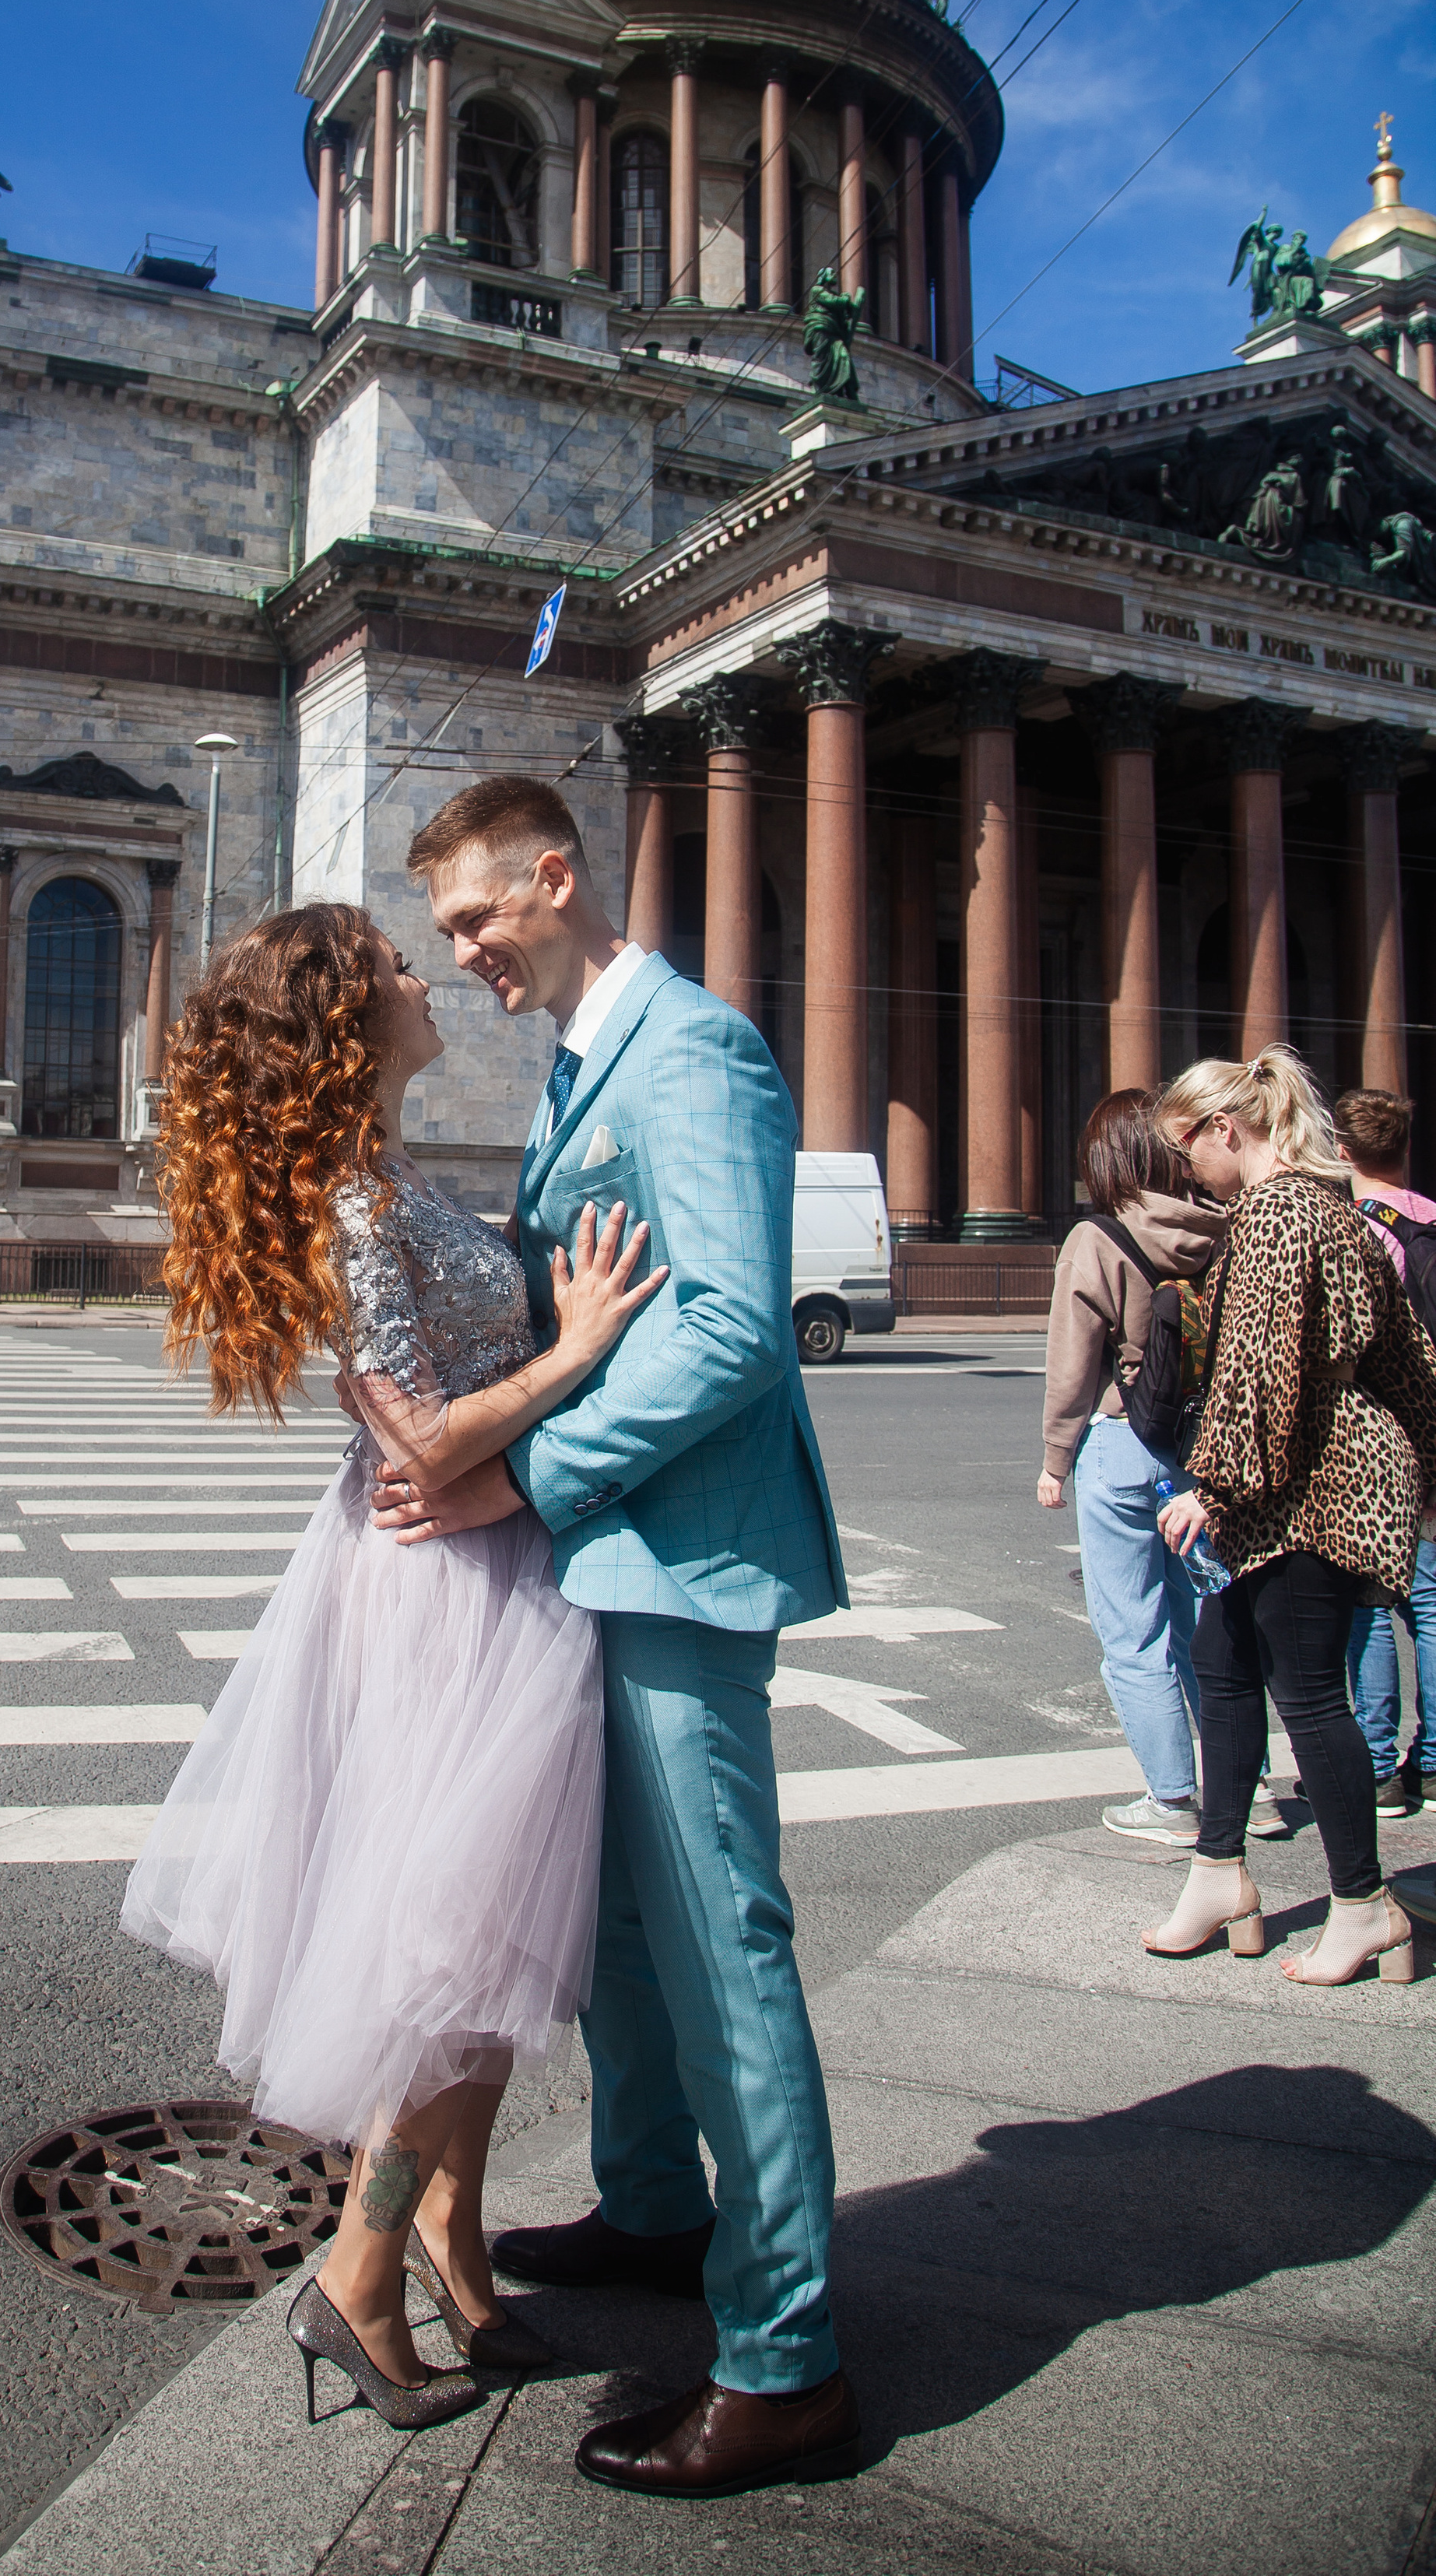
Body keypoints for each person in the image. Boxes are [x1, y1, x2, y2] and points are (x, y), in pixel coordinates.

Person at [375, 774, 862, 2500]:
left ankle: (785, 2361)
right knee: (635, 1941)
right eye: (447, 936)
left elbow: (734, 1326)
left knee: (721, 1946)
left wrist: (522, 1479)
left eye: (474, 918)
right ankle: (661, 2208)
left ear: (554, 879)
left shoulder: (692, 1050)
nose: (463, 953)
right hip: (608, 1557)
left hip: (678, 1555)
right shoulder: (587, 1058)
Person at [122, 903, 665, 2434]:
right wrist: (580, 1346)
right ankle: (355, 2284)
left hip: (479, 1572)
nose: (425, 981)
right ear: (347, 1020)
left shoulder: (385, 1174)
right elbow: (413, 1438)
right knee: (449, 1958)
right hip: (443, 1591)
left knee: (479, 1961)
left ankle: (457, 2255)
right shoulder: (350, 1208)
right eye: (393, 967)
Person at [1146, 1048, 1436, 1985]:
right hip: (1324, 1476)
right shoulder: (1333, 1207)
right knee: (1222, 1661)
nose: (1188, 1169)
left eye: (1188, 1149)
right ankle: (1217, 1873)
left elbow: (1259, 1376)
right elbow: (1408, 1360)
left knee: (1307, 1693)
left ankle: (1362, 1904)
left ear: (1224, 1129)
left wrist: (1211, 1487)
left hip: (1307, 1489)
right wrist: (1422, 1465)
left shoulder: (1274, 1214)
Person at [1038, 1091, 1227, 1843]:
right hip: (1205, 1451)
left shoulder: (1098, 1235)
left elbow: (1072, 1361)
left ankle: (1173, 1802)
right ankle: (1250, 1787)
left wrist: (1056, 1456)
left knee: (1133, 1631)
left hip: (1124, 1439)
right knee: (1209, 1623)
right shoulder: (1223, 1228)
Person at [1332, 1088, 1436, 1816]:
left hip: (1384, 1437)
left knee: (1368, 1603)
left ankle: (1372, 1765)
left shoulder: (1365, 1234)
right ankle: (1430, 1764)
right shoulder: (1430, 1221)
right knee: (1431, 1604)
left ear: (1343, 1152)